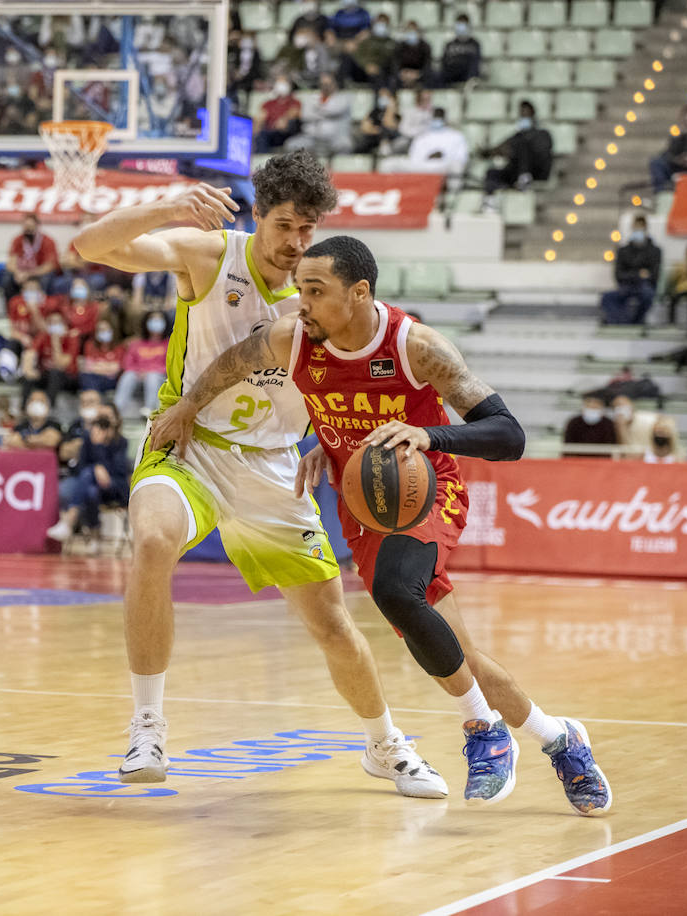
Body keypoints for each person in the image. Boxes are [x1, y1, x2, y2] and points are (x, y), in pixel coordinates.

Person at [151, 232, 611, 815]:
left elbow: (509, 435)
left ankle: (483, 730)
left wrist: (428, 435)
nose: (301, 303)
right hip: (364, 505)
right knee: (457, 654)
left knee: (396, 591)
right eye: (299, 290)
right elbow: (230, 364)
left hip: (427, 492)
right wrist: (189, 407)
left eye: (315, 291)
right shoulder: (293, 339)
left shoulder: (416, 347)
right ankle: (560, 738)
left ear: (359, 292)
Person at [71, 152, 449, 798]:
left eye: (307, 229)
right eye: (284, 226)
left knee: (332, 625)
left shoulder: (327, 296)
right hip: (190, 442)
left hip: (274, 466)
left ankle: (385, 744)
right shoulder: (211, 255)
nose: (296, 242)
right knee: (154, 541)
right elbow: (89, 245)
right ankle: (148, 727)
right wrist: (167, 207)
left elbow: (364, 381)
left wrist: (330, 441)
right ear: (258, 215)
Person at [47, 403, 131, 542]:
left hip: (114, 486)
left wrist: (99, 451)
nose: (104, 421)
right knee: (91, 491)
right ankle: (94, 530)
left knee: (88, 475)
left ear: (116, 419)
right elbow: (81, 466)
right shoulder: (89, 438)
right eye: (101, 417)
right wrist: (96, 465)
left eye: (108, 417)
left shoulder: (121, 442)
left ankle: (70, 520)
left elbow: (119, 470)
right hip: (91, 485)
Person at [481, 101, 553, 208]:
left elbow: (542, 155)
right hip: (516, 173)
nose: (523, 117)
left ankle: (524, 177)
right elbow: (502, 146)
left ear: (532, 115)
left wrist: (513, 151)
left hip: (536, 172)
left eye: (525, 114)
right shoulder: (519, 135)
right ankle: (489, 202)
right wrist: (488, 152)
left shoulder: (543, 134)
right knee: (492, 173)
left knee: (523, 144)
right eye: (521, 114)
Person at [601, 215, 662, 325]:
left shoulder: (654, 251)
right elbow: (618, 275)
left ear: (646, 228)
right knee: (607, 297)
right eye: (636, 227)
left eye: (641, 227)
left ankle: (636, 321)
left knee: (647, 295)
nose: (638, 230)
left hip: (644, 287)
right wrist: (638, 274)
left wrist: (635, 275)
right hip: (627, 286)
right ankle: (621, 321)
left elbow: (654, 275)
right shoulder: (623, 251)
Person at [115, 310, 170, 418]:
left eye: (159, 320)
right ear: (146, 322)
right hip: (138, 375)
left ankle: (150, 409)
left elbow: (170, 365)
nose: (156, 323)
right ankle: (117, 409)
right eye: (152, 320)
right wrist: (139, 371)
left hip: (159, 377)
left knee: (152, 377)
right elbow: (128, 363)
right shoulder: (136, 343)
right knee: (128, 376)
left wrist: (149, 371)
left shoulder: (170, 343)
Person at [4, 214, 61, 299]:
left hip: (38, 273)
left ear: (37, 226)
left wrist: (28, 274)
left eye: (31, 227)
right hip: (21, 272)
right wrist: (17, 273)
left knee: (46, 278)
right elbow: (11, 262)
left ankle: (43, 305)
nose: (28, 230)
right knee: (7, 278)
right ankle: (13, 305)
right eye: (26, 227)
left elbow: (49, 266)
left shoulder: (47, 241)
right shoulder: (18, 240)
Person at [405, 108, 468, 178]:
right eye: (435, 117)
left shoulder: (457, 136)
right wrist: (430, 158)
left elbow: (461, 159)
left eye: (439, 117)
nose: (437, 120)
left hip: (447, 173)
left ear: (445, 119)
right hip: (423, 173)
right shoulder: (421, 137)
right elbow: (414, 159)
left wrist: (442, 159)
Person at [256, 79, 302, 152]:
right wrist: (257, 127)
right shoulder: (268, 103)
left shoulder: (294, 102)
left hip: (286, 132)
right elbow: (261, 117)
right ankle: (261, 156)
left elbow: (294, 112)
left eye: (283, 83)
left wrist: (284, 119)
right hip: (270, 132)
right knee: (261, 135)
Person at [438, 14, 481, 86]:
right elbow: (444, 64)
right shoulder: (449, 45)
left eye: (463, 25)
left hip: (468, 79)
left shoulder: (475, 44)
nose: (461, 27)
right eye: (459, 25)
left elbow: (476, 64)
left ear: (468, 26)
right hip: (451, 78)